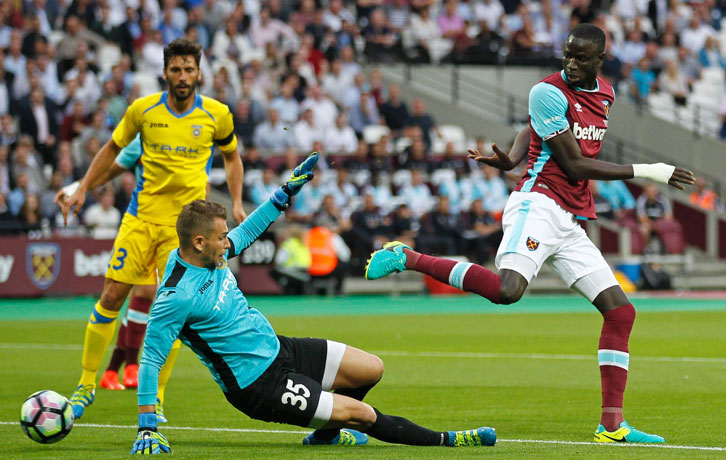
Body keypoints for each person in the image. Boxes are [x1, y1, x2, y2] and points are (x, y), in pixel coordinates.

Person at [365, 24, 695, 444]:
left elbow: (538, 128)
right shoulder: (547, 90)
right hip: (536, 203)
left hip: (570, 217)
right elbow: (574, 164)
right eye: (567, 55)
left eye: (580, 57)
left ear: (600, 60)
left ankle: (611, 427)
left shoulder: (606, 95)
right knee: (508, 290)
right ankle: (407, 257)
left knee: (620, 312)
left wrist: (513, 156)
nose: (571, 63)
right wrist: (652, 171)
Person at [130, 153, 496, 454]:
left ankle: (325, 433)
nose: (229, 243)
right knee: (363, 415)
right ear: (198, 242)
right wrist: (147, 427)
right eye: (221, 238)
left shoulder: (213, 252)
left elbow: (246, 231)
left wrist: (283, 194)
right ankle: (448, 439)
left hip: (278, 349)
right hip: (257, 386)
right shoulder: (176, 296)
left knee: (371, 368)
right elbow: (150, 357)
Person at [59, 38, 246, 420]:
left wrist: (238, 202)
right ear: (165, 71)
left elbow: (232, 157)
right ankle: (85, 384)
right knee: (111, 296)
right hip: (141, 218)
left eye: (189, 69)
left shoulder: (217, 114)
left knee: (175, 309)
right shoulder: (143, 111)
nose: (182, 76)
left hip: (185, 230)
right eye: (175, 69)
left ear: (199, 72)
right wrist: (82, 188)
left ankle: (156, 396)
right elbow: (113, 151)